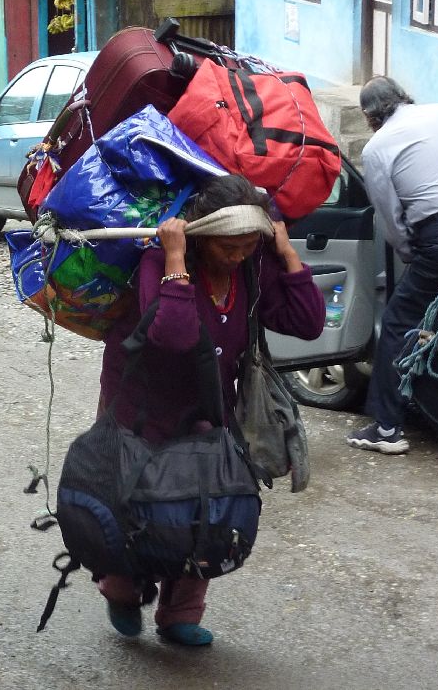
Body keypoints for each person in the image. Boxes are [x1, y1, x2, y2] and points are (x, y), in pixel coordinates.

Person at [96, 174, 325, 646]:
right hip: (140, 406)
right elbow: (175, 336)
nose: (238, 256)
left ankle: (180, 613)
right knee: (137, 504)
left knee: (206, 504)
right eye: (228, 247)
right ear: (200, 236)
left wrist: (286, 254)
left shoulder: (252, 265)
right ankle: (122, 590)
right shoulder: (158, 260)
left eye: (248, 245)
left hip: (208, 405)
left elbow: (308, 323)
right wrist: (175, 258)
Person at [346, 76, 438, 454]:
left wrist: (410, 254)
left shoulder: (377, 148)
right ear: (404, 96)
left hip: (437, 236)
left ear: (368, 116)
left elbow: (389, 219)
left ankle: (387, 428)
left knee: (397, 323)